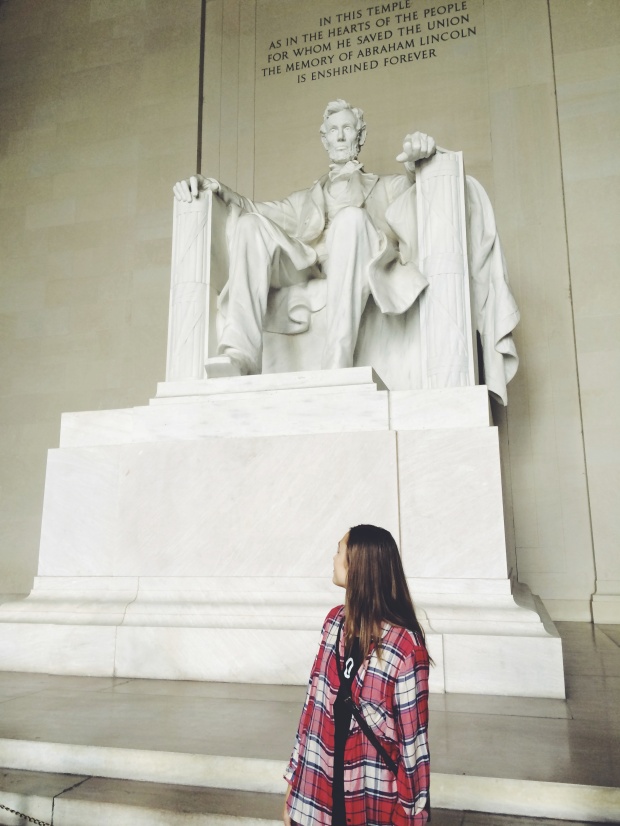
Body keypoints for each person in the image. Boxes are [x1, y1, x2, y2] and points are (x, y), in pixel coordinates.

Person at [173, 99, 436, 375]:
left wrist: (418, 162)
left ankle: (336, 363)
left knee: (351, 218)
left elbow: (416, 191)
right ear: (325, 139)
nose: (340, 136)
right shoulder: (305, 201)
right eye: (333, 130)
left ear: (361, 136)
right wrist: (215, 187)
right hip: (310, 268)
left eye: (347, 128)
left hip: (357, 261)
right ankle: (240, 354)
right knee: (250, 224)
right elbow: (253, 208)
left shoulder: (386, 186)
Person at [283, 525, 431, 826]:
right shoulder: (333, 623)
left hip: (372, 800)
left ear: (359, 566)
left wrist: (411, 817)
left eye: (339, 550)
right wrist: (293, 788)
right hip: (317, 796)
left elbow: (413, 748)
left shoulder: (404, 647)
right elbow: (311, 712)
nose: (333, 557)